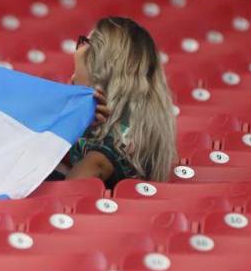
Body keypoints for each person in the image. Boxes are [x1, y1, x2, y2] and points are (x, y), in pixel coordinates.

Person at [58, 16, 177, 187]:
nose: (78, 50)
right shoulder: (100, 119)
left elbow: (69, 191)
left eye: (85, 43)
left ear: (101, 67)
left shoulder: (116, 140)